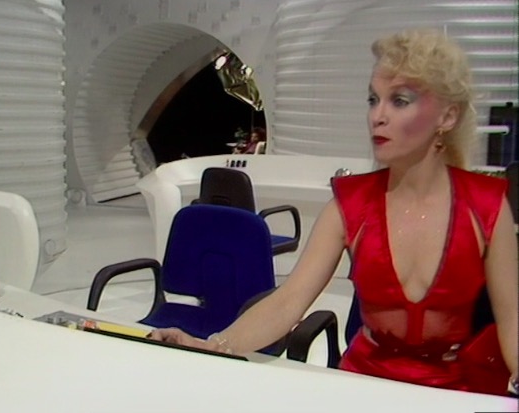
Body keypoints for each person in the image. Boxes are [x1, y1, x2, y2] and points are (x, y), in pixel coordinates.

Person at [149, 28, 518, 395]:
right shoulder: (349, 204)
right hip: (362, 385)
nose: (378, 116)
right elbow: (288, 302)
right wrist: (212, 346)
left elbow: (513, 320)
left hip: (450, 393)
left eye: (399, 101)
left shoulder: (486, 207)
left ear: (447, 117)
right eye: (373, 100)